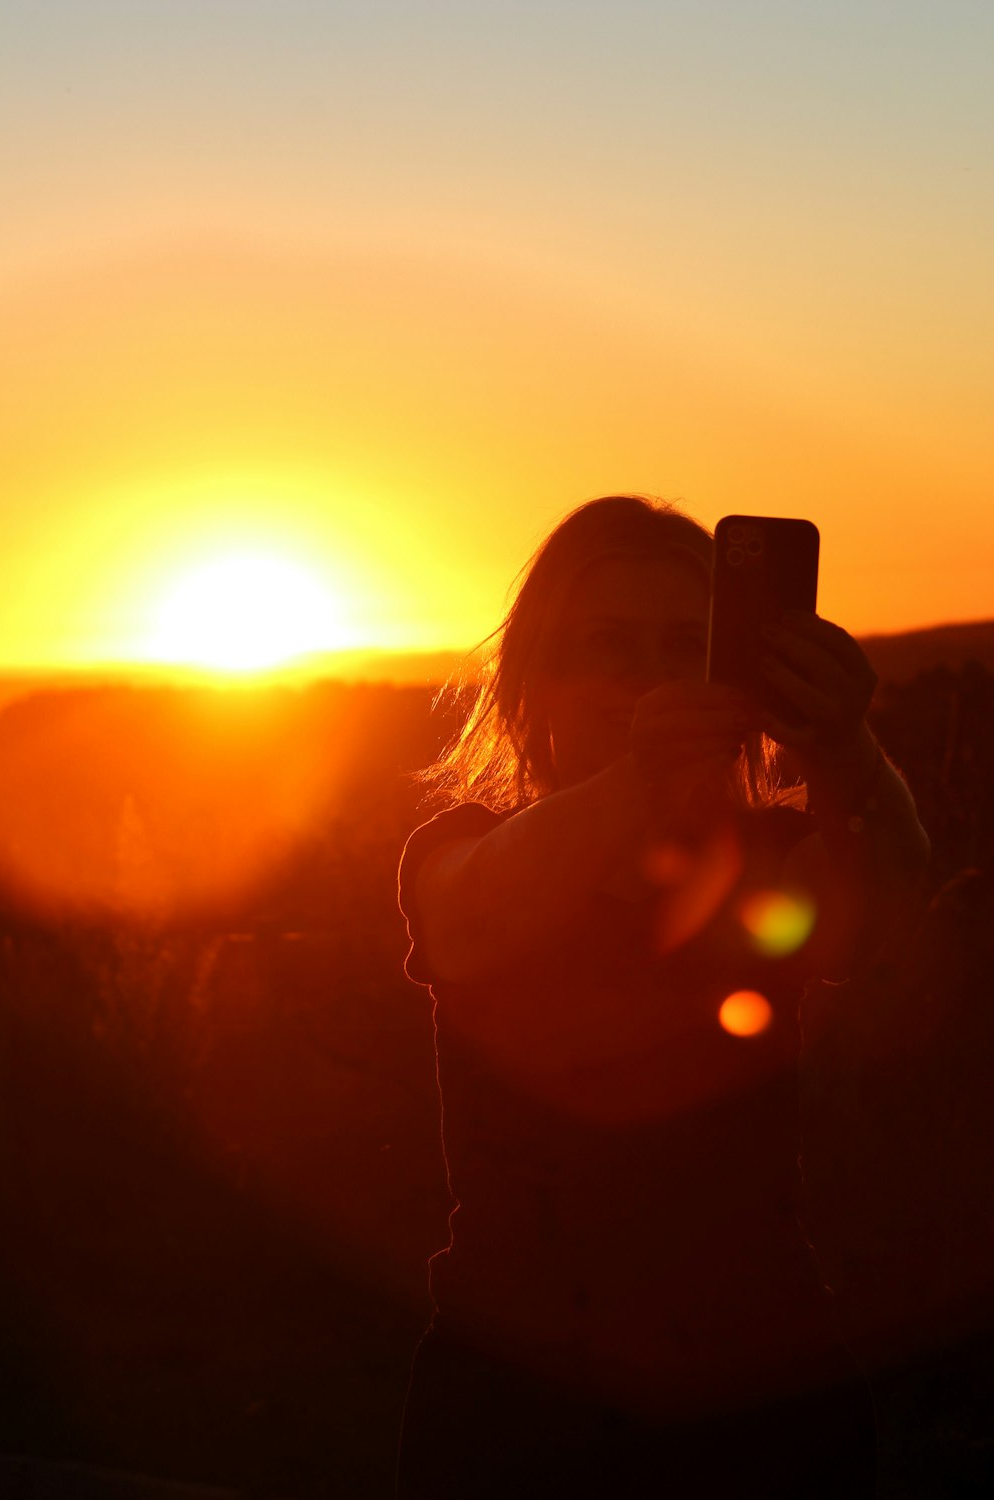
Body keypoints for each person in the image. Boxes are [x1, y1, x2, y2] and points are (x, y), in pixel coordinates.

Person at [397, 496, 929, 1497]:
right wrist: (643, 774)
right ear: (533, 684)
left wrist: (844, 747)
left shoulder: (764, 866)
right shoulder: (460, 849)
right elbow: (473, 920)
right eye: (610, 645)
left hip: (761, 1400)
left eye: (689, 646)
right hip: (519, 1409)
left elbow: (886, 920)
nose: (647, 678)